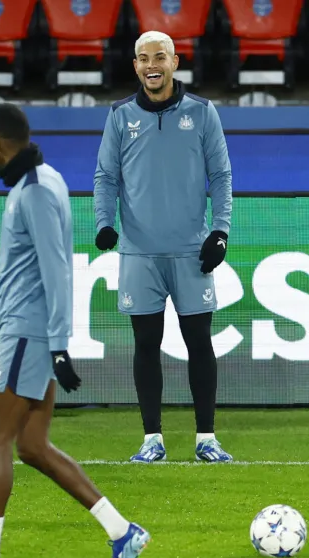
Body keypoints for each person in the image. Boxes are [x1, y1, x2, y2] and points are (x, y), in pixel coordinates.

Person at [0, 103, 150, 558]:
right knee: (31, 445)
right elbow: (22, 271)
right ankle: (122, 532)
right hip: (22, 327)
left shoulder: (37, 191)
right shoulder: (42, 181)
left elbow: (56, 270)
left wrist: (59, 346)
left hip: (29, 333)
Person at [93, 30, 234, 464]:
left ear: (175, 61)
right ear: (135, 66)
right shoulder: (119, 116)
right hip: (139, 254)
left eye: (159, 57)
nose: (151, 65)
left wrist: (220, 231)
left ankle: (206, 438)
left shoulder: (203, 112)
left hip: (191, 252)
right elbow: (106, 178)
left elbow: (222, 177)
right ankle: (152, 438)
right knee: (145, 344)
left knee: (199, 343)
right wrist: (104, 223)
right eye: (142, 58)